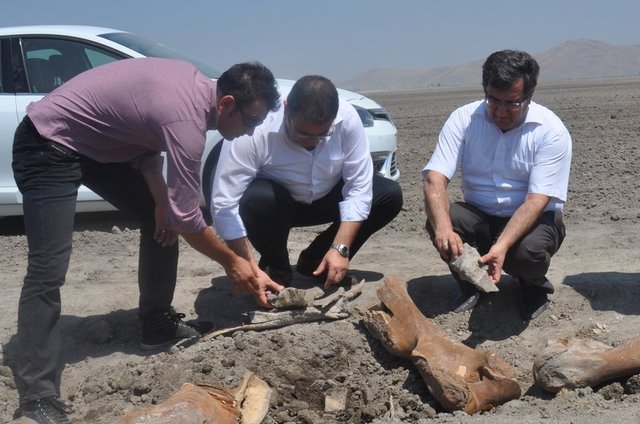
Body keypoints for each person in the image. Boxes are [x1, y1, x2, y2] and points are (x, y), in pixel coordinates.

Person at [11, 58, 283, 424]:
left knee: (162, 219)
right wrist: (234, 263)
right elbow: (189, 218)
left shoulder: (194, 93)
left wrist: (159, 203)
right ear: (226, 104)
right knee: (48, 268)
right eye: (249, 121)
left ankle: (157, 327)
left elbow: (146, 143)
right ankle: (36, 397)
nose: (251, 132)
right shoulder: (186, 120)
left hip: (98, 148)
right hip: (47, 144)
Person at [210, 75, 403, 289]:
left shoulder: (347, 118)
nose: (311, 142)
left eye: (322, 135)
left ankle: (318, 261)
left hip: (326, 198)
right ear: (286, 109)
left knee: (388, 195)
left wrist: (341, 248)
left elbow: (359, 188)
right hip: (276, 208)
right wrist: (246, 267)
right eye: (302, 133)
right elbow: (224, 203)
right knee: (257, 198)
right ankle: (276, 269)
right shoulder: (257, 124)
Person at [422, 50, 571, 321]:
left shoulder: (551, 131)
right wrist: (443, 229)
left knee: (526, 254)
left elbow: (536, 201)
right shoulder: (463, 119)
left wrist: (501, 247)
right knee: (441, 219)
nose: (501, 112)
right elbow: (434, 178)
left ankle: (532, 285)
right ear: (485, 91)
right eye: (494, 100)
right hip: (480, 214)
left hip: (534, 219)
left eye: (513, 103)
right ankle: (471, 283)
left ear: (530, 95)